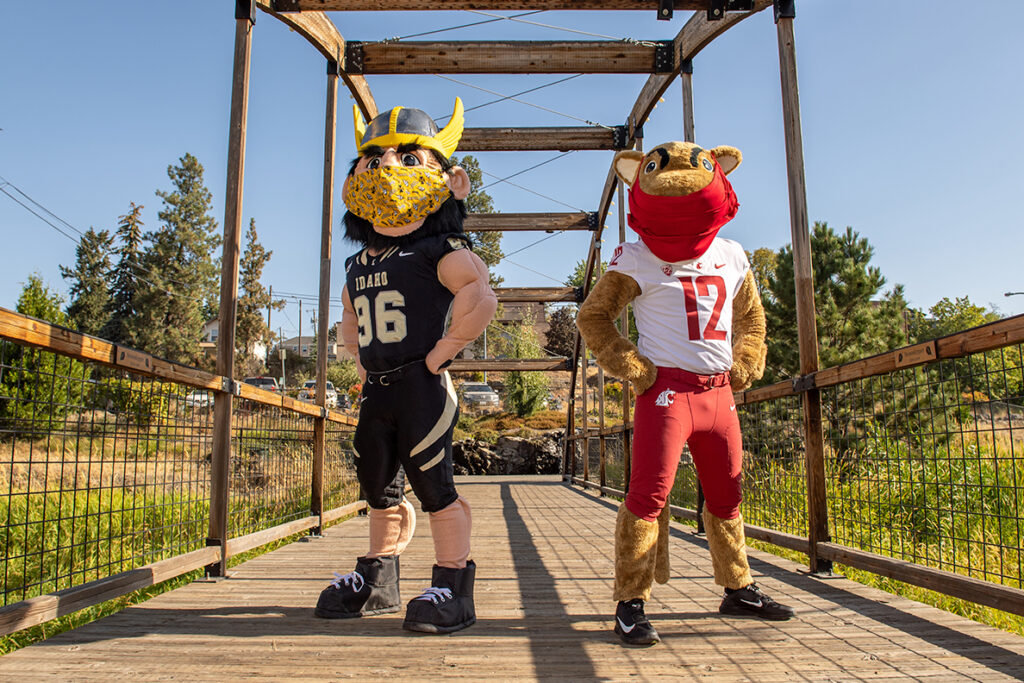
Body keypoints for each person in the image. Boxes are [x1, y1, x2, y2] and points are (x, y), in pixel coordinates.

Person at [314, 99, 497, 634]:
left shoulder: (439, 249)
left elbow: (479, 295)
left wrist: (442, 353)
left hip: (421, 384)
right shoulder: (358, 263)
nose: (387, 167)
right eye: (373, 159)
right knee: (377, 484)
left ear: (450, 180)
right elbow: (350, 317)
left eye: (409, 157)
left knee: (433, 483)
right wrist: (359, 362)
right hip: (378, 386)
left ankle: (453, 583)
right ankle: (378, 578)